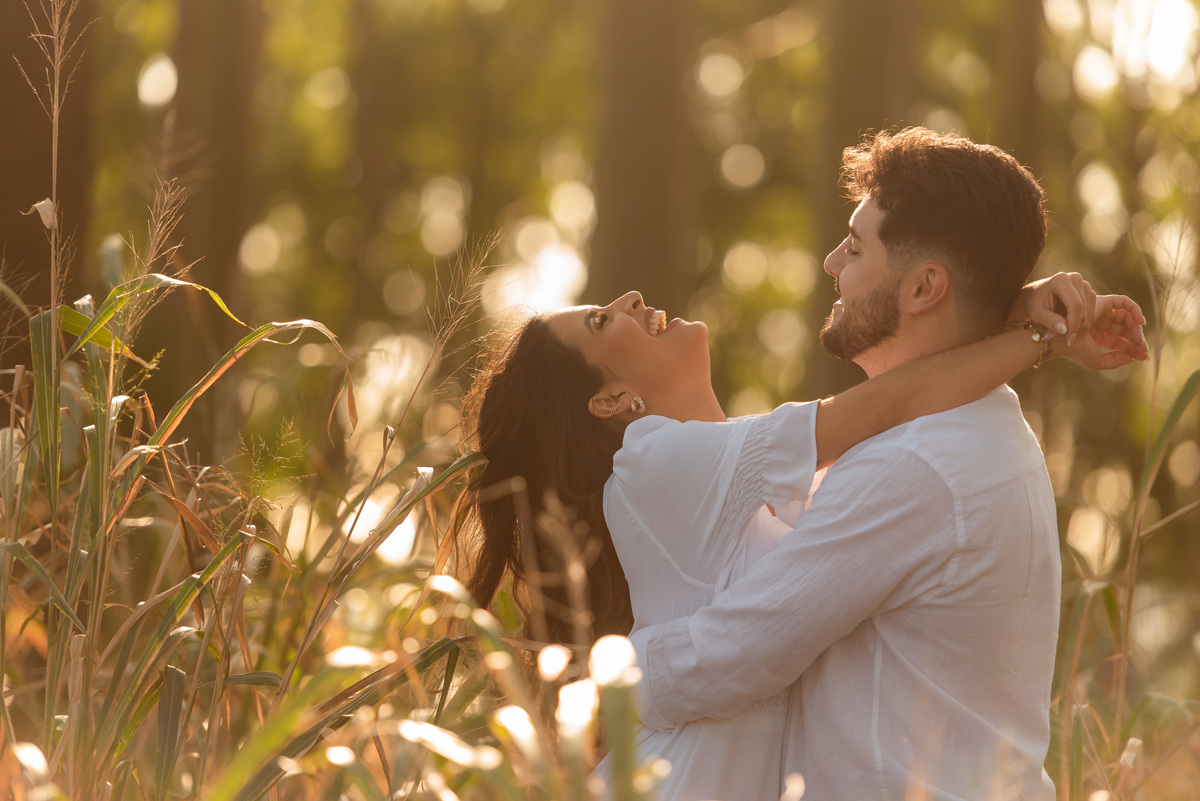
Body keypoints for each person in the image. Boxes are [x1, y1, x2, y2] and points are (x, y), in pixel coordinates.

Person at [621, 127, 1148, 800]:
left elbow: (739, 651)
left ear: (926, 286)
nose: (831, 262)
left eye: (856, 245)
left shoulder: (920, 464)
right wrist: (1023, 316)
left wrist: (593, 685)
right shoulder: (969, 423)